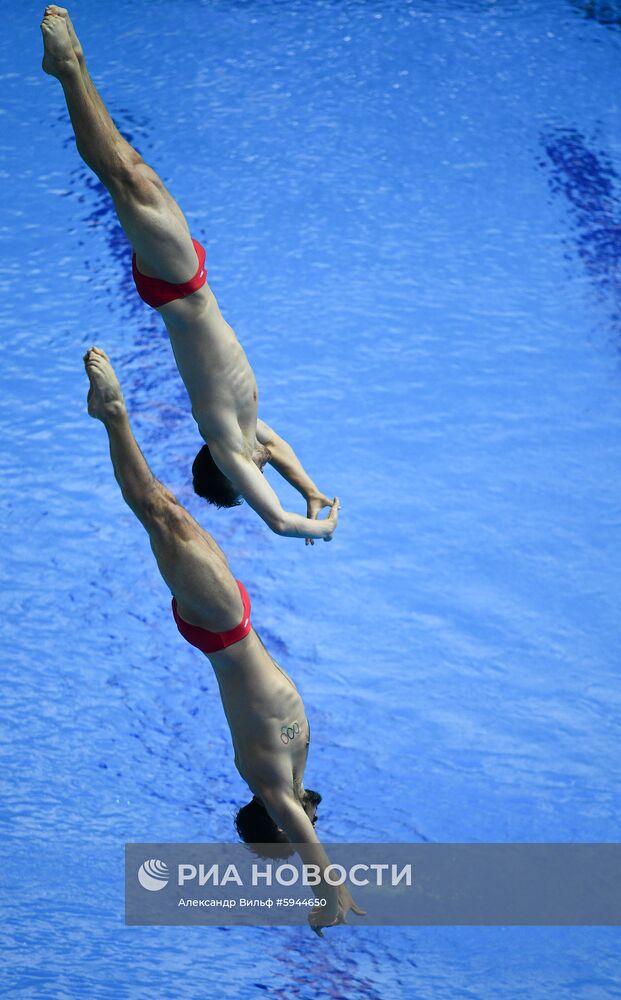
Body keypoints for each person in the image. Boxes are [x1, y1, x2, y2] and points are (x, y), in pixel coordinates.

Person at [82, 346, 363, 934]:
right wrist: (307, 484)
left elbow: (300, 832)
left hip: (219, 624)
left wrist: (328, 891)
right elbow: (301, 821)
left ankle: (113, 415)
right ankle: (128, 420)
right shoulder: (294, 771)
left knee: (157, 512)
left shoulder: (265, 779)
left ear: (277, 822)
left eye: (287, 833)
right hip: (228, 619)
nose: (306, 825)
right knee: (166, 514)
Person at [41, 6, 340, 544]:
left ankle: (67, 67)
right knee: (132, 171)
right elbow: (279, 454)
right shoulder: (251, 432)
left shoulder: (227, 441)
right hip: (186, 279)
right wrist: (313, 492)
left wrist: (314, 526)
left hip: (177, 285)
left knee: (122, 175)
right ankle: (73, 65)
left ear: (232, 475)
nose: (261, 470)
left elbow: (276, 521)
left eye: (250, 481)